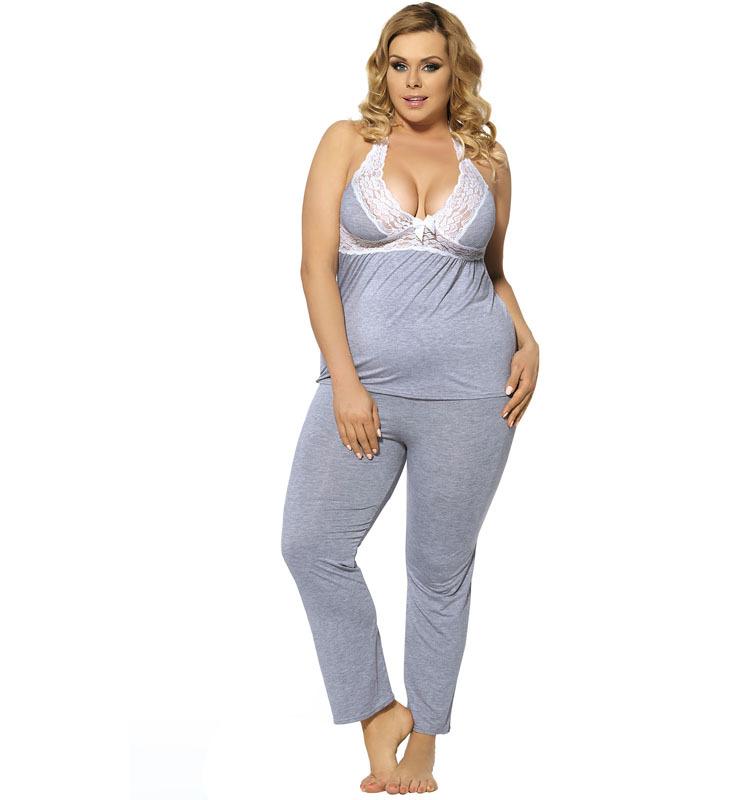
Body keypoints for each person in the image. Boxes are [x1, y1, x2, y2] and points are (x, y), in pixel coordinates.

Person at [281, 3, 540, 793]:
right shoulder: (347, 142)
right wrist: (345, 381)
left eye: (430, 65)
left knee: (438, 569)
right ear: (382, 69)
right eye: (399, 65)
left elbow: (491, 272)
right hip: (366, 390)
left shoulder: (488, 159)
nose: (413, 81)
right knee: (311, 546)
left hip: (473, 392)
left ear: (455, 69)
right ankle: (377, 712)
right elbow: (314, 268)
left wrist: (529, 339)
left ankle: (426, 738)